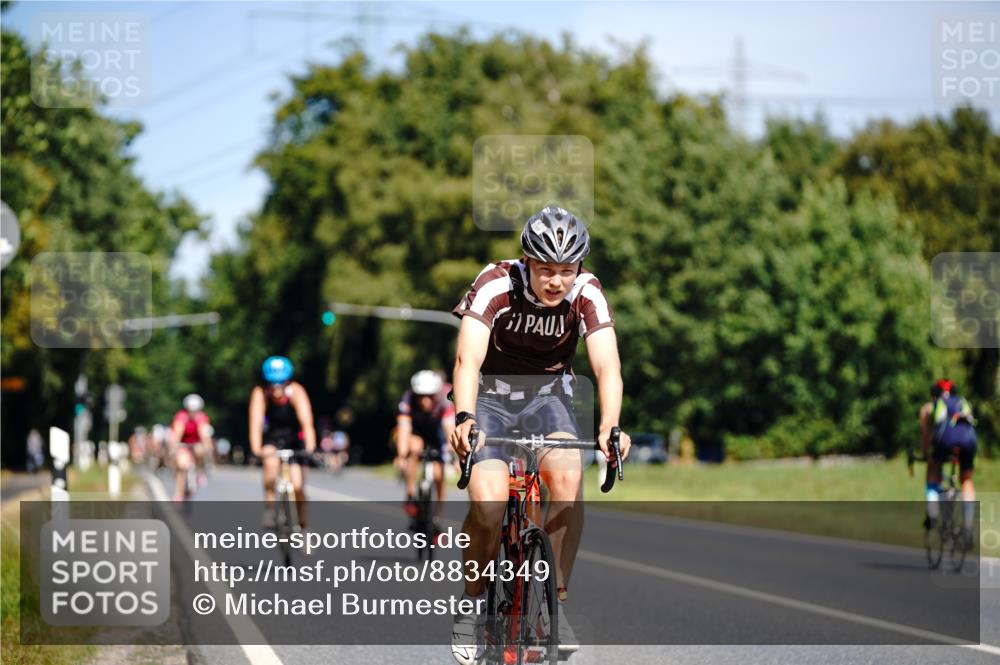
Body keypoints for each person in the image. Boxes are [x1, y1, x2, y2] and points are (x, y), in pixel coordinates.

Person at [448, 206, 632, 664]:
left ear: (579, 267)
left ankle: (555, 605)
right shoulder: (495, 283)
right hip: (488, 397)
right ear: (527, 262)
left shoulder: (587, 292)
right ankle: (471, 604)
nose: (556, 281)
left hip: (547, 399)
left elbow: (607, 364)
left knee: (568, 479)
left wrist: (610, 425)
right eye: (546, 269)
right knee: (490, 505)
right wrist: (464, 417)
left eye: (566, 270)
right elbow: (467, 360)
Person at [249, 356, 316, 530]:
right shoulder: (260, 393)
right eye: (272, 383)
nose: (276, 388)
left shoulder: (297, 391)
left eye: (280, 383)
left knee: (298, 486)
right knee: (270, 467)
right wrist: (257, 449)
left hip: (294, 440)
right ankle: (270, 509)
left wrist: (310, 447)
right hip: (272, 439)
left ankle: (303, 524)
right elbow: (255, 423)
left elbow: (307, 423)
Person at [920, 378, 978, 547]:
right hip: (968, 443)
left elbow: (926, 435)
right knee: (966, 480)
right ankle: (968, 525)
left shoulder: (930, 406)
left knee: (932, 470)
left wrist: (925, 454)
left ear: (934, 395)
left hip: (944, 443)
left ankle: (932, 512)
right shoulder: (963, 402)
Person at [396, 370, 456, 527]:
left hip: (437, 432)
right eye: (421, 396)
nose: (425, 400)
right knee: (414, 446)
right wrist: (402, 456)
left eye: (430, 396)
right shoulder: (408, 399)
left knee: (439, 474)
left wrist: (454, 455)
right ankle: (410, 496)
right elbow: (403, 429)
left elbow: (449, 429)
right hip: (417, 431)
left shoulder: (445, 399)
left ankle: (438, 516)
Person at [169, 394, 213, 502]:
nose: (193, 413)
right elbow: (177, 433)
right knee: (182, 466)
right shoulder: (181, 416)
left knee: (200, 450)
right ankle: (178, 493)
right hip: (183, 444)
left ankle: (199, 471)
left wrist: (208, 447)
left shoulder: (202, 417)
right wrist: (174, 446)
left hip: (196, 443)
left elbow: (204, 434)